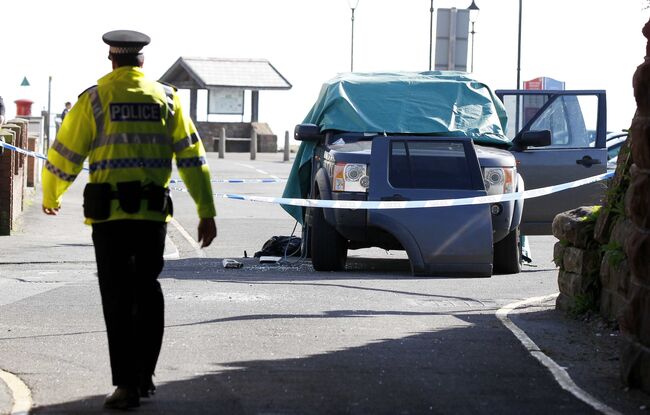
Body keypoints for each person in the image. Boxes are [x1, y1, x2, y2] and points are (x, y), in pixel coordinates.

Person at [41, 30, 217, 410]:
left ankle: (125, 385)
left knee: (117, 298)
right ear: (142, 62)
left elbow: (65, 153)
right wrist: (206, 211)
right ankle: (145, 376)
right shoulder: (167, 99)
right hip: (152, 216)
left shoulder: (95, 99)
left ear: (112, 59)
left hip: (110, 220)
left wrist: (50, 194)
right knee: (148, 291)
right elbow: (192, 158)